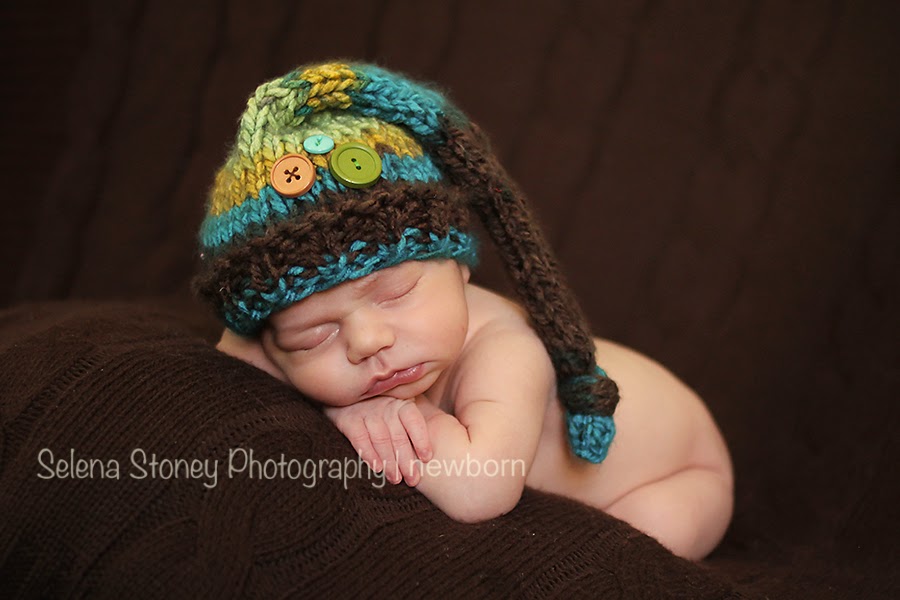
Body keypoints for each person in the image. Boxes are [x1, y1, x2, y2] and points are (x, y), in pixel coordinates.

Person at [193, 61, 733, 561]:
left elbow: (481, 486)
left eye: (396, 293)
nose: (368, 341)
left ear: (459, 269)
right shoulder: (330, 336)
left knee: (630, 546)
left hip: (680, 473)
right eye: (314, 336)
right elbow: (237, 353)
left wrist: (383, 413)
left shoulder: (505, 346)